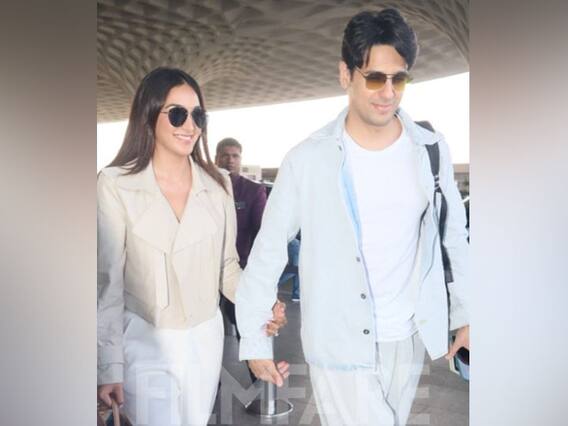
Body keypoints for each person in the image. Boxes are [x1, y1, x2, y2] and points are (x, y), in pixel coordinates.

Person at [235, 9, 469, 426]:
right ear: (345, 74)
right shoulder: (307, 160)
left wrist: (466, 313)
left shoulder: (430, 149)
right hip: (338, 341)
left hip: (408, 337)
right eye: (375, 78)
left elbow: (454, 236)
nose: (388, 92)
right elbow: (268, 250)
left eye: (399, 79)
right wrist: (254, 338)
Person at [96, 67, 287, 426]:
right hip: (144, 340)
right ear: (149, 114)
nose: (190, 126)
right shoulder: (115, 185)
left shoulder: (218, 187)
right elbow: (108, 285)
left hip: (205, 340)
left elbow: (227, 269)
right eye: (177, 114)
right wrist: (109, 367)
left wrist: (264, 306)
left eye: (198, 115)